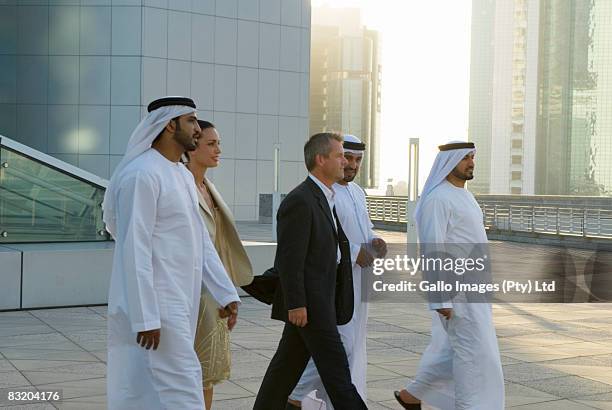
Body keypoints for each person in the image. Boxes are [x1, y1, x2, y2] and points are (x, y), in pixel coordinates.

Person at [103, 97, 241, 410]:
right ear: (169, 125)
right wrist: (145, 316)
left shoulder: (179, 175)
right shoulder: (142, 175)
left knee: (153, 388)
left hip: (181, 300)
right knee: (183, 386)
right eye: (191, 121)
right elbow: (133, 249)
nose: (197, 128)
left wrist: (225, 293)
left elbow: (200, 241)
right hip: (157, 306)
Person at [253, 132, 368, 410]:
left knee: (283, 374)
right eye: (340, 155)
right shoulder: (301, 200)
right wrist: (296, 304)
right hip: (311, 307)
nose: (344, 162)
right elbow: (290, 260)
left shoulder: (323, 196)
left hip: (319, 303)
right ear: (321, 159)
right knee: (339, 378)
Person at [394, 141, 504, 410]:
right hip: (457, 292)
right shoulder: (438, 198)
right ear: (448, 161)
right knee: (474, 356)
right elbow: (433, 249)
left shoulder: (465, 195)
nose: (471, 162)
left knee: (454, 350)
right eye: (465, 158)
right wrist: (440, 297)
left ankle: (411, 395)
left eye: (472, 157)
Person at [288, 135, 387, 409]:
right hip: (336, 281)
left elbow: (364, 228)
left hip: (358, 280)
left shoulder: (357, 193)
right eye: (347, 158)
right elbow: (326, 239)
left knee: (351, 345)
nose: (351, 165)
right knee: (341, 345)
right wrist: (356, 252)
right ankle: (298, 396)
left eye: (357, 160)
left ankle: (307, 397)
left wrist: (375, 241)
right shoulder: (326, 193)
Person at [185, 120, 254, 410]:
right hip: (191, 293)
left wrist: (227, 292)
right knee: (193, 374)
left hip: (214, 294)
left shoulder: (208, 187)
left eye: (218, 143)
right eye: (211, 144)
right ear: (192, 148)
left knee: (209, 374)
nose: (218, 150)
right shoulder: (181, 187)